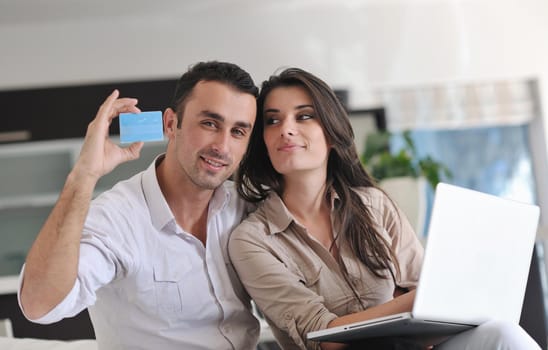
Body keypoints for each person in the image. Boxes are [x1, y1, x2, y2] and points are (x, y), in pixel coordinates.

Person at [228, 67, 541, 350]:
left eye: (304, 116)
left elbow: (433, 304)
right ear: (264, 142)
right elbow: (323, 337)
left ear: (332, 135)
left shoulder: (374, 205)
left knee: (503, 334)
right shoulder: (253, 240)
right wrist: (413, 303)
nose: (286, 129)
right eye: (272, 120)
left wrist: (420, 303)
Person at [18, 61, 261, 350]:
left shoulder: (246, 207)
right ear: (171, 124)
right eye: (210, 124)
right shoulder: (117, 218)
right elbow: (39, 305)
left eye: (238, 132)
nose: (222, 146)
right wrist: (83, 176)